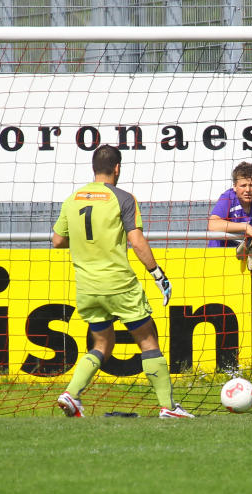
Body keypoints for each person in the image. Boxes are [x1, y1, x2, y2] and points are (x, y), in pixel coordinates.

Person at [52, 144, 193, 419]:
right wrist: (158, 274)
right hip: (119, 285)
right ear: (117, 168)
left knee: (102, 345)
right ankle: (168, 406)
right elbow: (136, 241)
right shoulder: (123, 198)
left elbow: (57, 240)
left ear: (93, 168)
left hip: (87, 288)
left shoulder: (72, 199)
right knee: (148, 340)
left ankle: (71, 393)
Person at [207, 161, 252, 275]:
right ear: (234, 186)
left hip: (250, 257)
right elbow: (212, 225)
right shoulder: (228, 197)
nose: (248, 190)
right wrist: (246, 227)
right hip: (220, 256)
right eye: (243, 185)